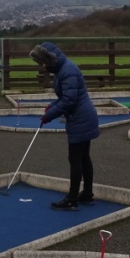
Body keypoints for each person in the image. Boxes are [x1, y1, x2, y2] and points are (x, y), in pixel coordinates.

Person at [28, 42, 100, 210]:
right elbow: (67, 96)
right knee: (83, 158)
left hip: (80, 119)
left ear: (50, 59)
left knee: (75, 159)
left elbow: (69, 100)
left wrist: (48, 116)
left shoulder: (67, 71)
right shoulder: (64, 69)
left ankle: (72, 199)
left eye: (43, 62)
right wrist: (52, 106)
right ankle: (87, 194)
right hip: (83, 117)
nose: (43, 66)